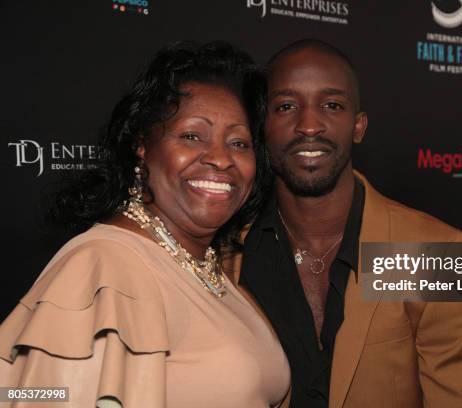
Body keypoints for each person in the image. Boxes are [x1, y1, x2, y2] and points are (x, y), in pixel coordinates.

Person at [0, 41, 290, 408]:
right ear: (142, 146)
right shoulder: (102, 265)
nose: (220, 158)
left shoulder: (204, 265)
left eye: (239, 142)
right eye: (191, 136)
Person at [224, 39, 462, 407]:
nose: (308, 125)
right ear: (262, 127)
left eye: (332, 105)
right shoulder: (225, 254)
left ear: (358, 126)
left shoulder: (435, 254)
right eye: (286, 106)